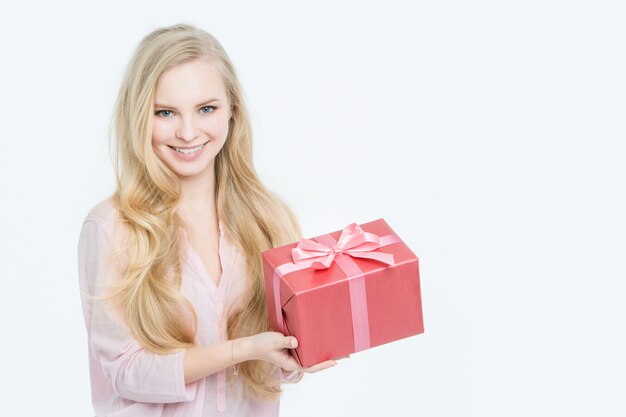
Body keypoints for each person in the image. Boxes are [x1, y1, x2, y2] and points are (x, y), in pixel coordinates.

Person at [77, 23, 340, 417]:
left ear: (232, 109)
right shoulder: (113, 227)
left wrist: (303, 351)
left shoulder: (267, 219)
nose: (187, 132)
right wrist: (239, 350)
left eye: (206, 109)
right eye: (165, 112)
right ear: (139, 117)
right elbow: (126, 371)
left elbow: (268, 368)